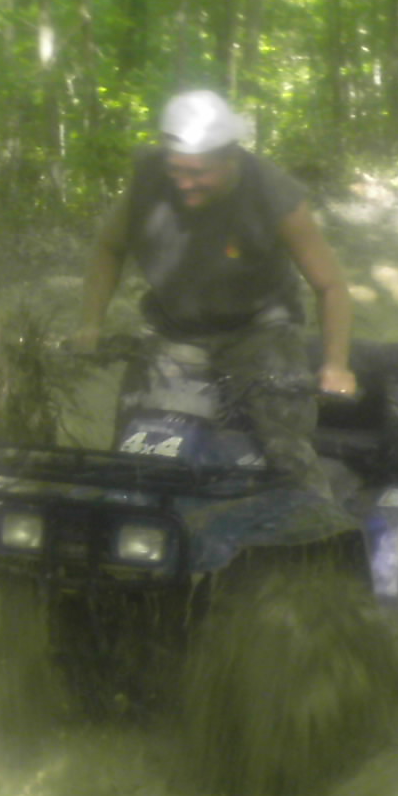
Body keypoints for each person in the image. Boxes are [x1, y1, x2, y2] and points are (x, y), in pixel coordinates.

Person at [77, 89, 356, 496]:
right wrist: (90, 325)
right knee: (137, 445)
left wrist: (336, 365)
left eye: (198, 173)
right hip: (174, 329)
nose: (184, 183)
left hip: (261, 330)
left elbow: (330, 286)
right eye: (176, 169)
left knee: (284, 447)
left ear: (231, 158)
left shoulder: (274, 194)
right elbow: (108, 248)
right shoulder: (149, 177)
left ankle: (319, 524)